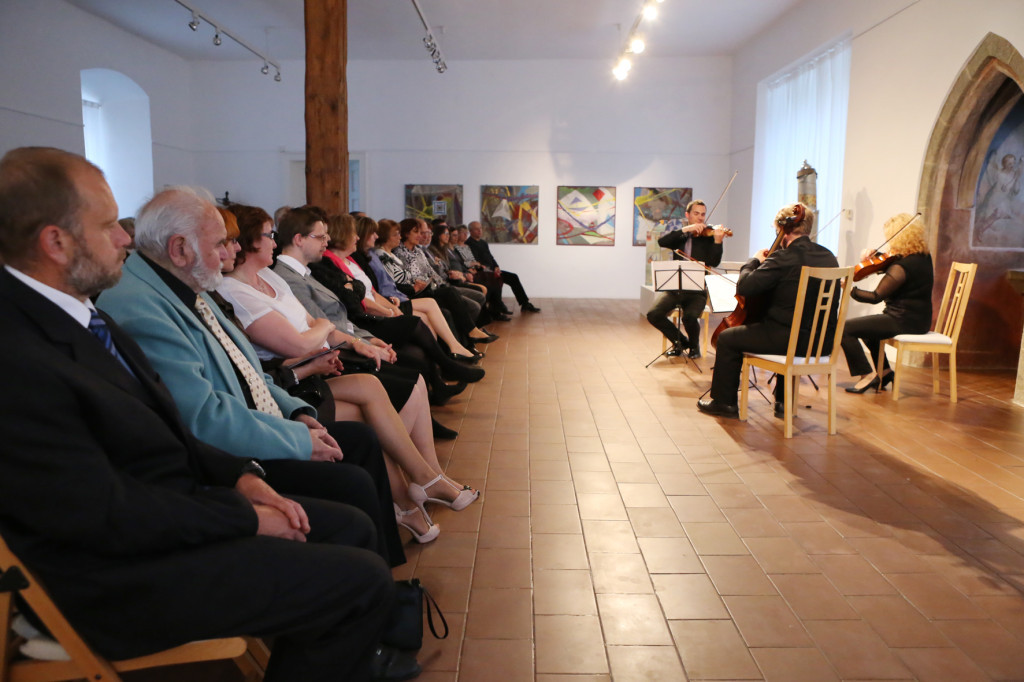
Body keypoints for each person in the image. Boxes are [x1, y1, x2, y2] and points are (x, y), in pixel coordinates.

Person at [0, 147, 407, 681]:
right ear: (55, 242)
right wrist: (243, 515)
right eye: (107, 226)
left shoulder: (74, 313)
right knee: (357, 582)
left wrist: (238, 476)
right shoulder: (20, 354)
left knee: (350, 532)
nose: (124, 238)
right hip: (111, 580)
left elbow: (162, 425)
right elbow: (102, 512)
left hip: (161, 519)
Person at [98, 186, 409, 567]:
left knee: (360, 440)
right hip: (228, 453)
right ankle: (374, 579)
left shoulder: (184, 282)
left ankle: (389, 572)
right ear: (179, 249)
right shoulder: (140, 306)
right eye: (219, 244)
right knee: (351, 483)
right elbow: (203, 419)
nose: (228, 253)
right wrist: (297, 439)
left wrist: (296, 412)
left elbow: (247, 370)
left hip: (254, 420)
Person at [697, 202, 839, 418]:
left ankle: (724, 403)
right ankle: (783, 401)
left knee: (727, 338)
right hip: (822, 343)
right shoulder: (829, 257)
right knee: (792, 323)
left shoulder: (783, 258)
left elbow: (745, 287)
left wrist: (753, 261)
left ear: (783, 229)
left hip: (789, 342)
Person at [841, 213, 933, 393]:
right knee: (868, 330)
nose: (889, 241)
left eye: (891, 237)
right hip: (919, 320)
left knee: (844, 328)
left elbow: (876, 296)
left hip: (902, 320)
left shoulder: (902, 267)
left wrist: (850, 290)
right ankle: (884, 372)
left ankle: (867, 375)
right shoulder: (922, 257)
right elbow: (890, 262)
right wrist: (875, 255)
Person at [646, 199, 728, 359]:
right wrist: (685, 229)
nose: (700, 218)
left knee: (689, 317)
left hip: (697, 291)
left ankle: (694, 347)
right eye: (696, 214)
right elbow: (662, 242)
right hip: (675, 288)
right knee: (653, 314)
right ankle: (681, 342)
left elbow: (713, 262)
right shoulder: (681, 236)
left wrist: (718, 242)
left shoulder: (709, 236)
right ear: (688, 215)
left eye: (703, 214)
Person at [466, 220, 541, 314]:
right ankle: (498, 307)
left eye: (480, 228)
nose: (480, 231)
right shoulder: (468, 244)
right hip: (483, 273)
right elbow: (474, 262)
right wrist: (489, 270)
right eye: (476, 229)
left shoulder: (483, 243)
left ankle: (525, 303)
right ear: (471, 231)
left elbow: (490, 257)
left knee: (513, 277)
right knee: (497, 281)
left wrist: (496, 267)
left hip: (492, 271)